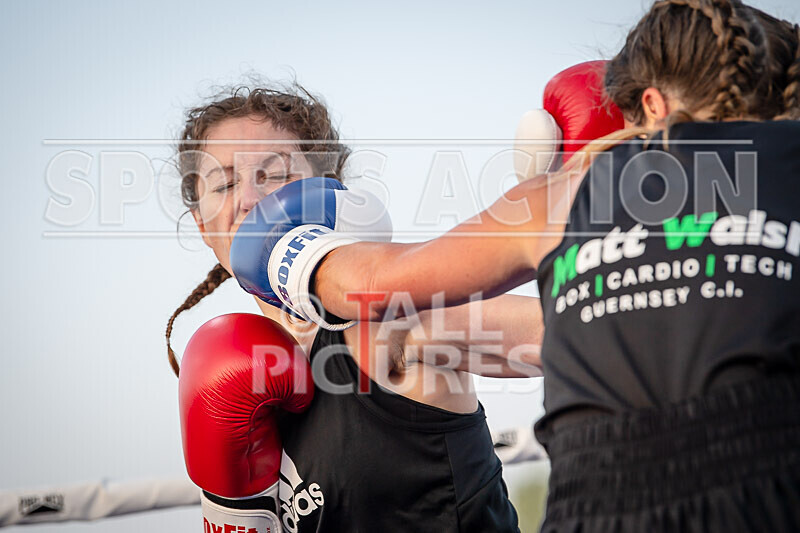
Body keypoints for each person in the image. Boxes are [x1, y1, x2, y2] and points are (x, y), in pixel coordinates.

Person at [238, 2, 800, 531]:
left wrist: (283, 244)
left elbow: (372, 285)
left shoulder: (555, 197)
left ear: (652, 106)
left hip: (594, 502)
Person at [165, 84, 544, 532]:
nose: (251, 199)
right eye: (225, 183)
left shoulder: (383, 323)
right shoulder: (228, 375)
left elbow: (570, 334)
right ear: (203, 226)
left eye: (275, 175)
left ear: (331, 192)